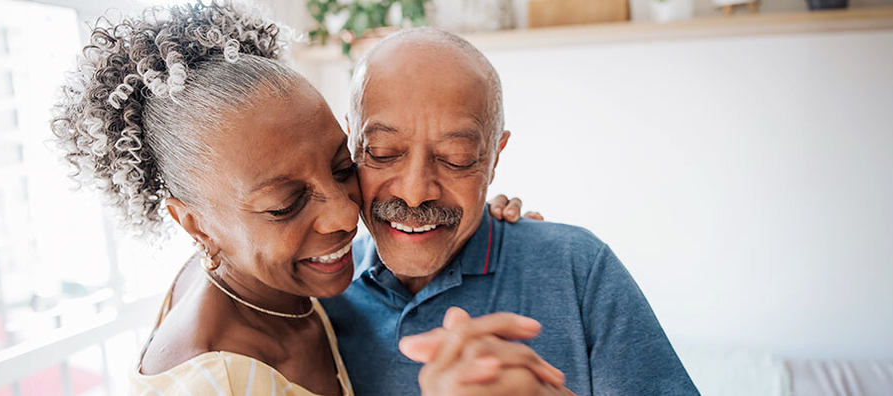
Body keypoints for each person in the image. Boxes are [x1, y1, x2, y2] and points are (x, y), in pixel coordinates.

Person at [50, 2, 555, 395]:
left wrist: (471, 216)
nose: (344, 215)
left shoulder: (266, 279)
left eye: (342, 168)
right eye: (286, 204)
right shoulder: (217, 381)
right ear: (196, 226)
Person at [321, 27, 701, 395]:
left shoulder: (577, 268)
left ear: (494, 156)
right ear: (351, 141)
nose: (416, 193)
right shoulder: (320, 290)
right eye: (382, 153)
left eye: (457, 159)